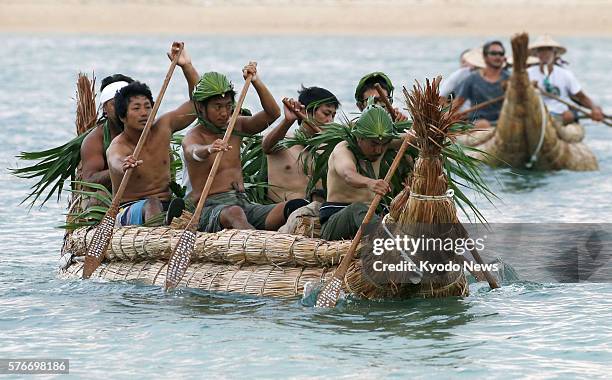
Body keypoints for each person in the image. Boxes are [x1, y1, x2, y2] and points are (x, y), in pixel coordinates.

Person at [182, 63, 289, 232]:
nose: (224, 112)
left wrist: (256, 82)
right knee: (234, 213)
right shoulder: (194, 136)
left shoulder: (236, 125)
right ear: (201, 108)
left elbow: (272, 114)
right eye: (218, 107)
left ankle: (263, 235)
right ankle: (257, 244)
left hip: (242, 203)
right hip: (207, 209)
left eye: (227, 105)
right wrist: (209, 148)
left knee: (290, 207)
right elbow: (192, 151)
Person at [107, 42, 199, 226]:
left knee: (189, 205)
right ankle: (160, 233)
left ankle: (166, 223)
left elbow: (198, 104)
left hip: (166, 204)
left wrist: (186, 66)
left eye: (148, 107)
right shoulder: (118, 146)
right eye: (136, 108)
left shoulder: (163, 127)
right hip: (129, 211)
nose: (144, 113)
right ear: (123, 116)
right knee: (152, 203)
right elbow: (115, 160)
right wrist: (124, 164)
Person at [320, 105, 414, 240]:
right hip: (336, 223)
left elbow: (412, 138)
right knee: (357, 208)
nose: (379, 150)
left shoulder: (382, 142)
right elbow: (348, 175)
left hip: (371, 217)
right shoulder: (343, 150)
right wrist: (369, 182)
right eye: (374, 144)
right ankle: (386, 242)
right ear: (359, 138)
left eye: (384, 144)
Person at [262, 85, 340, 203]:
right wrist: (287, 121)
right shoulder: (283, 140)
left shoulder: (332, 148)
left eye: (333, 116)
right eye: (326, 113)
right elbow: (267, 146)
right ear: (305, 111)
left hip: (319, 214)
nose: (330, 121)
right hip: (283, 213)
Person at [527, 34, 604, 124]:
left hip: (559, 114)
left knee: (568, 117)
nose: (545, 53)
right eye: (541, 50)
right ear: (536, 54)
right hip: (535, 114)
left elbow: (581, 96)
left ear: (555, 54)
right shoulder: (528, 74)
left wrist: (594, 108)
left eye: (548, 50)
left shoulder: (565, 74)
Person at [80, 74, 134, 190]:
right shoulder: (94, 139)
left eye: (125, 104)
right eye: (115, 104)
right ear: (104, 108)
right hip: (109, 195)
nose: (121, 109)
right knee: (97, 199)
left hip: (145, 192)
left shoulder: (150, 131)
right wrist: (121, 168)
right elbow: (89, 181)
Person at [452, 41, 510, 129]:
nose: (498, 56)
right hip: (479, 123)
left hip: (504, 123)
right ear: (485, 57)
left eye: (501, 54)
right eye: (494, 53)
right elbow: (457, 104)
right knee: (483, 124)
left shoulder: (510, 79)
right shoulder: (472, 79)